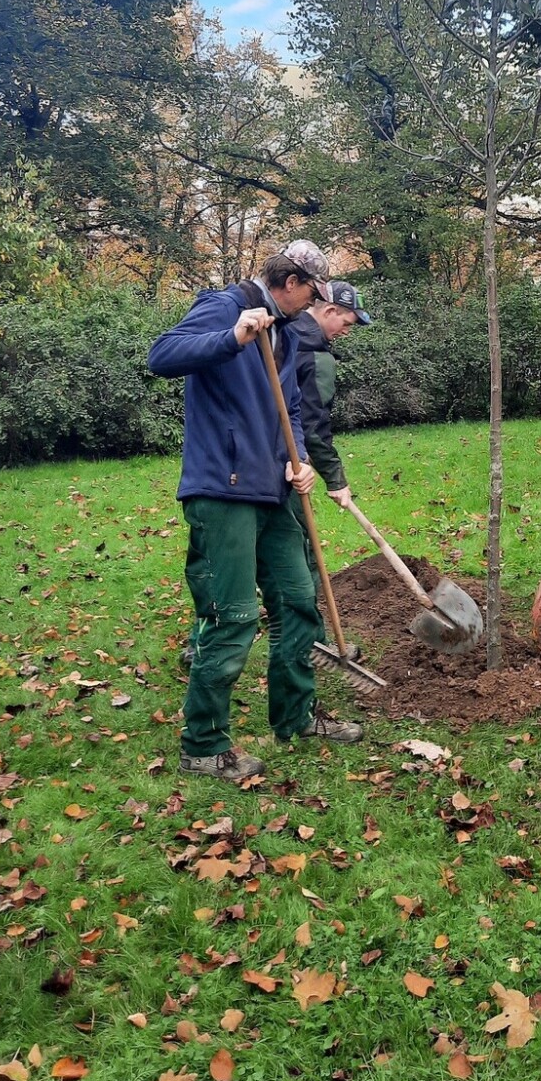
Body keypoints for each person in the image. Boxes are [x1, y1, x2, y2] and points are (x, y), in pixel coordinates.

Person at [148, 240, 363, 784]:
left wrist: (303, 462)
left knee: (297, 602)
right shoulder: (224, 306)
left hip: (273, 490)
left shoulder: (288, 334)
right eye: (314, 293)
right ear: (291, 282)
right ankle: (204, 745)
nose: (316, 304)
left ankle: (297, 717)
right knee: (233, 616)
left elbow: (288, 406)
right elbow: (162, 356)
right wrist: (234, 335)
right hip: (222, 490)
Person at [292, 280, 372, 511]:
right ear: (329, 310)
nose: (346, 332)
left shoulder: (280, 330)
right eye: (346, 323)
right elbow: (313, 425)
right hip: (285, 461)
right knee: (294, 537)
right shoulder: (317, 359)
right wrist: (336, 479)